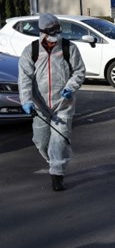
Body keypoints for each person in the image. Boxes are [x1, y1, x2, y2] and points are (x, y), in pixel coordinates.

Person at [18, 13, 86, 191]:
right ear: (42, 32)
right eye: (51, 32)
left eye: (57, 30)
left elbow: (79, 71)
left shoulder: (68, 48)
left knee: (59, 140)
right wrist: (26, 100)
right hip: (40, 106)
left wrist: (71, 87)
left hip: (63, 104)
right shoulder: (31, 51)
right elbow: (24, 78)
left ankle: (57, 174)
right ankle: (53, 161)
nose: (55, 35)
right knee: (41, 141)